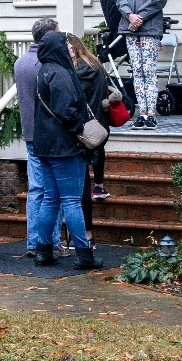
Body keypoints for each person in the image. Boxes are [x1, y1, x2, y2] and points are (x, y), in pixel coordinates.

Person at [30, 28, 100, 270]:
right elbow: (67, 112)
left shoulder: (44, 71)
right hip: (65, 147)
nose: (70, 47)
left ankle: (43, 250)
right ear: (57, 48)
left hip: (45, 146)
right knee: (71, 201)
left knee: (50, 199)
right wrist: (81, 129)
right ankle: (83, 254)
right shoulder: (60, 74)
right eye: (66, 44)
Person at [12, 16, 60, 256]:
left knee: (36, 188)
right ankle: (50, 241)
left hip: (29, 133)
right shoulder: (48, 65)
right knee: (53, 190)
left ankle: (33, 241)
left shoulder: (20, 63)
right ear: (50, 36)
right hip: (50, 135)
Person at [114, 0, 172, 129]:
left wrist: (140, 18)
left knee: (148, 71)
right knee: (137, 72)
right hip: (130, 28)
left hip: (149, 29)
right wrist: (130, 15)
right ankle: (142, 113)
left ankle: (151, 114)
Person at [68, 35, 115, 242]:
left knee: (82, 168)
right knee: (99, 149)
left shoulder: (74, 72)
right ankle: (100, 185)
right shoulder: (96, 65)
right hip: (100, 119)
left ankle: (83, 233)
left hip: (83, 123)